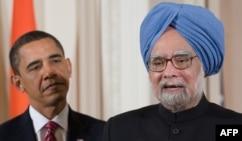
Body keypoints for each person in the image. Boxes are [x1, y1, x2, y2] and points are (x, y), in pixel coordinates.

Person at [103, 2, 242, 141]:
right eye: (158, 62)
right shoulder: (119, 129)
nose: (169, 72)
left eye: (181, 60)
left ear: (204, 65)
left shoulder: (234, 128)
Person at [0, 30, 105, 141]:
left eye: (55, 61)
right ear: (18, 83)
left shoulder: (105, 133)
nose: (49, 72)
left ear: (68, 67)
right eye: (35, 67)